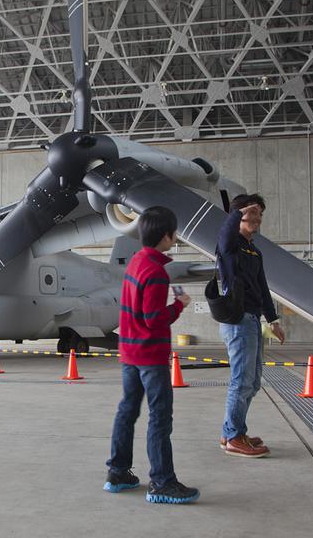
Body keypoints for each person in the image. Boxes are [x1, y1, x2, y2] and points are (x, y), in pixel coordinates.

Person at [104, 206, 199, 504]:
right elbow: (153, 318)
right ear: (167, 236)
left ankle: (118, 473)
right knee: (159, 418)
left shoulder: (135, 262)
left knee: (127, 411)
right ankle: (162, 482)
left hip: (130, 352)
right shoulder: (156, 272)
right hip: (150, 356)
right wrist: (180, 304)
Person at [216, 194, 285, 458]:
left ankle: (232, 431)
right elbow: (224, 233)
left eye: (260, 214)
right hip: (237, 319)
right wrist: (238, 211)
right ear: (239, 214)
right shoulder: (229, 244)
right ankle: (234, 436)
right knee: (242, 380)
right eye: (253, 213)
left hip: (253, 319)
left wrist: (273, 321)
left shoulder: (254, 250)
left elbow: (263, 289)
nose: (257, 218)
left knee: (253, 382)